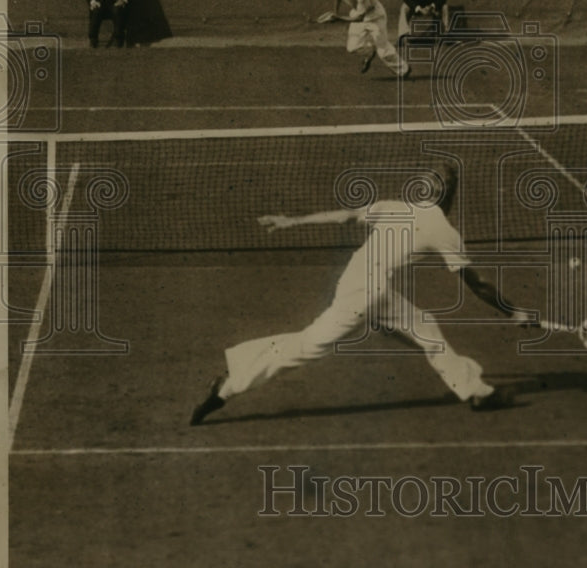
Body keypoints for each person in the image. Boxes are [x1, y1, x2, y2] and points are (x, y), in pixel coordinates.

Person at [190, 165, 527, 425]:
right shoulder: (444, 230)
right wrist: (515, 313)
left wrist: (293, 221)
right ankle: (228, 387)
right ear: (449, 196)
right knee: (308, 346)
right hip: (367, 295)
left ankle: (476, 391)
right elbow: (478, 284)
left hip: (359, 284)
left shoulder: (395, 206)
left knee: (425, 326)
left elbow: (344, 216)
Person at [324, 0, 409, 77]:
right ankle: (369, 52)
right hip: (358, 13)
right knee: (352, 47)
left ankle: (404, 70)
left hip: (376, 17)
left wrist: (338, 18)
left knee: (382, 51)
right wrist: (335, 12)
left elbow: (360, 18)